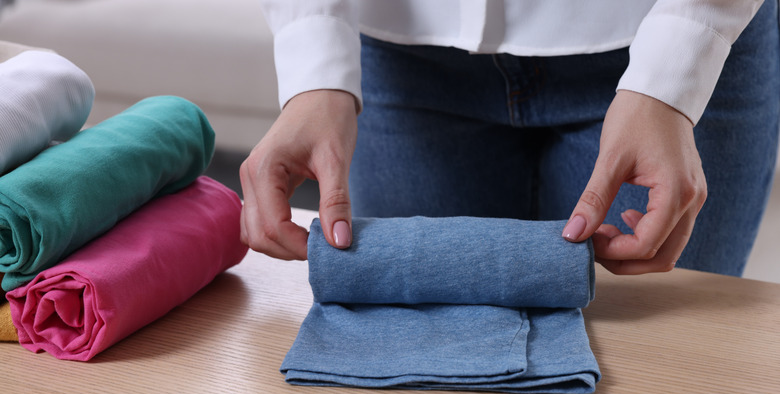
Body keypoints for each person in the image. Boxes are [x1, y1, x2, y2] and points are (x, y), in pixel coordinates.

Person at [240, 0, 780, 276]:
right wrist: (312, 52)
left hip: (665, 39)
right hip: (400, 47)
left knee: (659, 386)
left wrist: (679, 62)